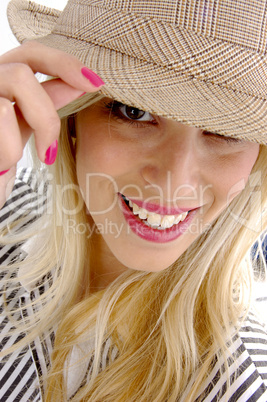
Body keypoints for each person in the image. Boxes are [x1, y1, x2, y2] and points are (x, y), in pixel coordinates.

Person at [0, 0, 267, 400]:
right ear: (72, 117)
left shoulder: (239, 386)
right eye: (134, 112)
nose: (174, 182)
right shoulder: (9, 217)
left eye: (224, 131)